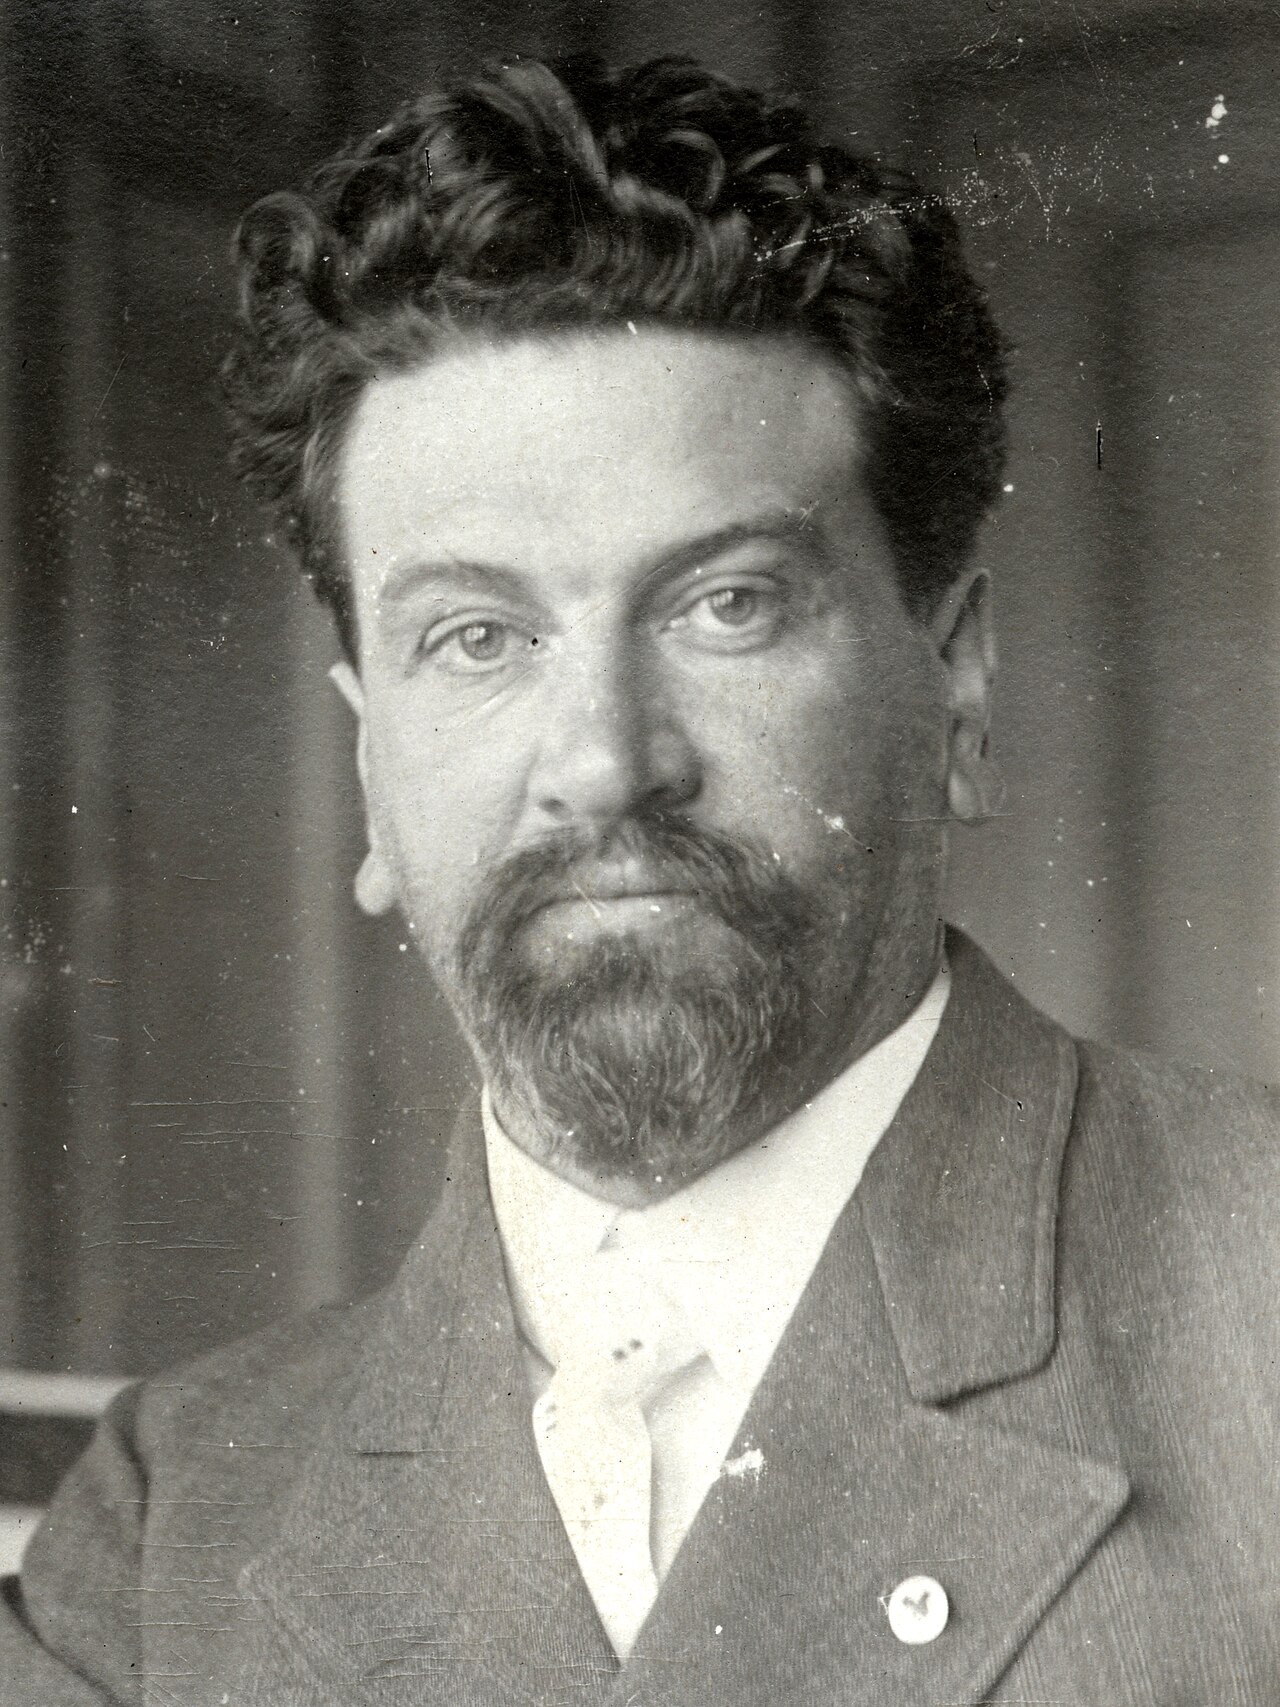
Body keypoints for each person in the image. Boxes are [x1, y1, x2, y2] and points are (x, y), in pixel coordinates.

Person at [2, 54, 1276, 1707]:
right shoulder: (165, 1530)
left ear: (956, 685)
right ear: (370, 767)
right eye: (478, 637)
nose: (602, 760)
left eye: (725, 605)